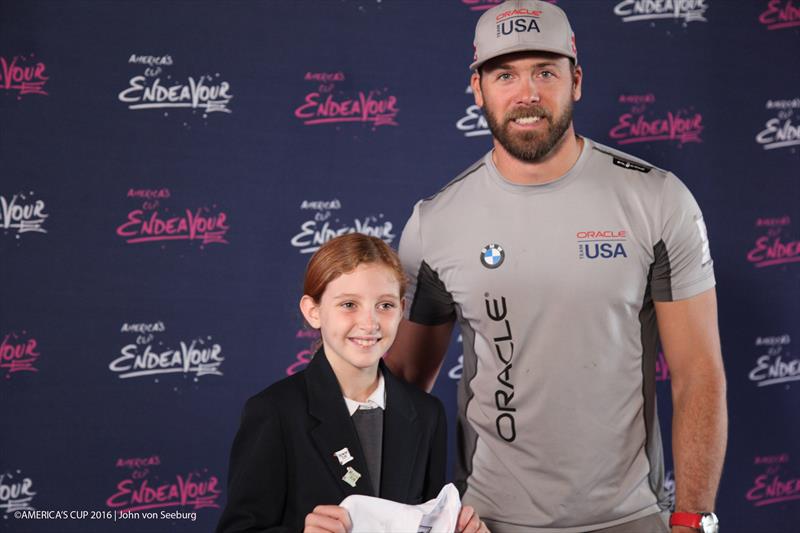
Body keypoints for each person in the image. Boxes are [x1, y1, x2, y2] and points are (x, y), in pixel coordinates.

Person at [385, 2, 727, 533]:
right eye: (505, 75)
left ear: (576, 80)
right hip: (487, 519)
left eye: (545, 72)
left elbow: (698, 376)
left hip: (631, 516)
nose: (527, 94)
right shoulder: (435, 223)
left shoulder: (658, 200)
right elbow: (402, 384)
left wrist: (692, 519)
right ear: (477, 88)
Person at [216, 233, 488, 533]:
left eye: (384, 305)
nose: (369, 323)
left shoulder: (426, 414)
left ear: (401, 309)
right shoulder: (275, 412)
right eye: (349, 304)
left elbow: (427, 520)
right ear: (314, 311)